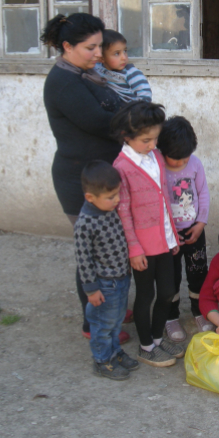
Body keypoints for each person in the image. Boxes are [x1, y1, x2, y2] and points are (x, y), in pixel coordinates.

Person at [41, 13, 132, 343]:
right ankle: (92, 323)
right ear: (67, 46)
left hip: (100, 173)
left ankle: (112, 304)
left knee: (112, 246)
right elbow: (102, 122)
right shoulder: (64, 83)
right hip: (79, 180)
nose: (98, 54)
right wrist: (137, 123)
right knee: (93, 253)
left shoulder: (86, 74)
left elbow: (117, 107)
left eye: (100, 46)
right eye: (90, 48)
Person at [112, 101, 185, 367]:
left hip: (164, 239)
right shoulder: (121, 167)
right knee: (146, 295)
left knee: (168, 291)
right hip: (142, 246)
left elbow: (164, 198)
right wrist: (134, 249)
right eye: (146, 140)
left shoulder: (155, 157)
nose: (153, 145)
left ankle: (156, 337)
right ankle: (146, 346)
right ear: (127, 137)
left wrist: (173, 235)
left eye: (155, 138)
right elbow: (124, 213)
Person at [74, 161, 139, 380]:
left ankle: (115, 353)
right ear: (90, 197)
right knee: (102, 324)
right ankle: (102, 361)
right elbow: (83, 260)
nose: (117, 200)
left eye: (117, 194)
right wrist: (91, 290)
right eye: (111, 196)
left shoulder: (109, 210)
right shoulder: (86, 223)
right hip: (104, 284)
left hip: (120, 279)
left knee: (116, 320)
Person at [157, 116, 214, 342]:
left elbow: (203, 193)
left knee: (198, 273)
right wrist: (165, 233)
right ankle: (171, 318)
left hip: (194, 232)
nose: (180, 163)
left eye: (185, 158)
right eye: (175, 159)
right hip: (168, 236)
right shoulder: (158, 166)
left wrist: (201, 223)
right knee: (169, 278)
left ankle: (199, 312)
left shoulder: (196, 164)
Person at [95, 29, 152, 103]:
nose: (124, 57)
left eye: (125, 51)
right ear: (102, 58)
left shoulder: (132, 73)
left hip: (130, 110)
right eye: (117, 53)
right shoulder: (97, 68)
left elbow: (145, 95)